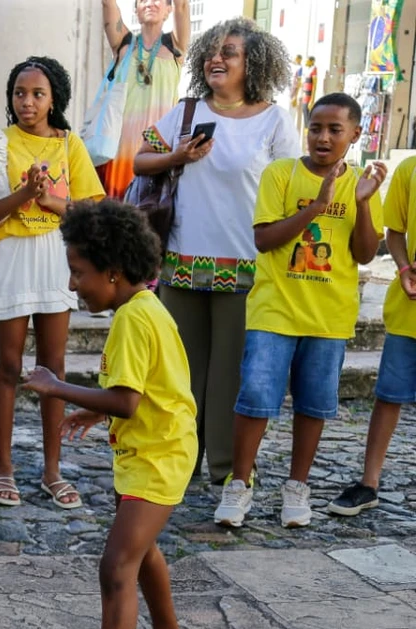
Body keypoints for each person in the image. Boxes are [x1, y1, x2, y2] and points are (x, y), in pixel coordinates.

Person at [23, 199, 195, 629]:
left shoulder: (131, 320)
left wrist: (56, 387)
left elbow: (126, 399)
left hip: (158, 456)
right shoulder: (145, 307)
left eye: (79, 272)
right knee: (140, 550)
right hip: (152, 445)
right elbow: (146, 388)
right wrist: (94, 412)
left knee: (116, 567)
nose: (74, 285)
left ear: (114, 272)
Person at [133, 17, 298, 491]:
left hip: (247, 266)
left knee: (230, 376)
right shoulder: (185, 112)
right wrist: (177, 156)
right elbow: (141, 161)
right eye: (211, 51)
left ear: (253, 64)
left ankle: (227, 470)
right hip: (182, 261)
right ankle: (179, 461)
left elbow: (291, 191)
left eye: (229, 52)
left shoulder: (274, 120)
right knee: (180, 372)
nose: (216, 59)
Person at [215, 93, 386, 528]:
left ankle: (297, 486)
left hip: (328, 316)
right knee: (255, 396)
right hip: (275, 310)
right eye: (315, 128)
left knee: (313, 403)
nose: (323, 137)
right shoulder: (281, 173)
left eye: (334, 130)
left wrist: (362, 203)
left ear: (355, 134)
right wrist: (316, 207)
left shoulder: (361, 184)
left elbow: (365, 254)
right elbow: (264, 239)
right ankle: (239, 484)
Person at [0, 56, 105, 508]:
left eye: (37, 94)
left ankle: (53, 470)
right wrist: (23, 195)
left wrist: (48, 200)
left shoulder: (69, 145)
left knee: (53, 365)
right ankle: (3, 468)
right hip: (12, 255)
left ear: (54, 100)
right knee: (9, 366)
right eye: (19, 93)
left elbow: (90, 209)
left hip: (56, 254)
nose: (27, 102)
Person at [330, 153, 416, 516]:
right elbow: (395, 233)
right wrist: (404, 268)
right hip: (409, 311)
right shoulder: (410, 170)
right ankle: (369, 483)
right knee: (388, 396)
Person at [98, 0, 190, 199]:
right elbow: (108, 5)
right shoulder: (123, 45)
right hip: (121, 150)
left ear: (168, 10)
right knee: (117, 212)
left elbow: (182, 5)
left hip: (158, 150)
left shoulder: (176, 47)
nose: (150, 3)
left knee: (154, 211)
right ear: (136, 11)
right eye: (143, 0)